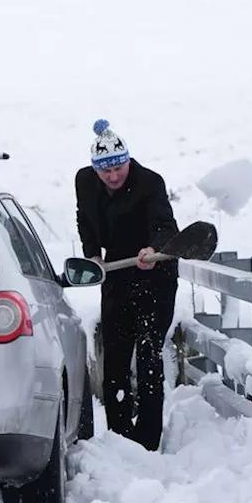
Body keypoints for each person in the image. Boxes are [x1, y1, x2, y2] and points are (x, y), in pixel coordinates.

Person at [74, 120, 180, 452]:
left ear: (128, 161)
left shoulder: (150, 182)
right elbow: (84, 218)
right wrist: (92, 254)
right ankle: (120, 437)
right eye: (106, 171)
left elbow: (165, 224)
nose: (114, 176)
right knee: (115, 356)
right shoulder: (84, 182)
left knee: (148, 354)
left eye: (118, 167)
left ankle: (148, 440)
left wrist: (153, 248)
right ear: (95, 169)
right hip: (117, 271)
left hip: (154, 272)